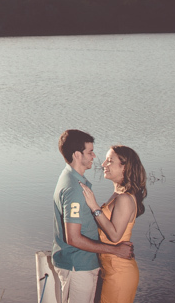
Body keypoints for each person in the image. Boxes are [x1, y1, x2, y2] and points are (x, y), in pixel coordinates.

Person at [52, 129, 134, 303]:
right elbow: (73, 238)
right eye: (89, 152)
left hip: (81, 264)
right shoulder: (74, 189)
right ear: (77, 155)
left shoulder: (71, 178)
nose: (94, 156)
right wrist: (115, 250)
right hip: (78, 266)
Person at [80, 145, 147, 303]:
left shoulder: (124, 198)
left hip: (120, 273)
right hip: (110, 269)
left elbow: (115, 235)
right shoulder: (118, 194)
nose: (103, 164)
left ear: (124, 167)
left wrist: (94, 206)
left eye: (110, 161)